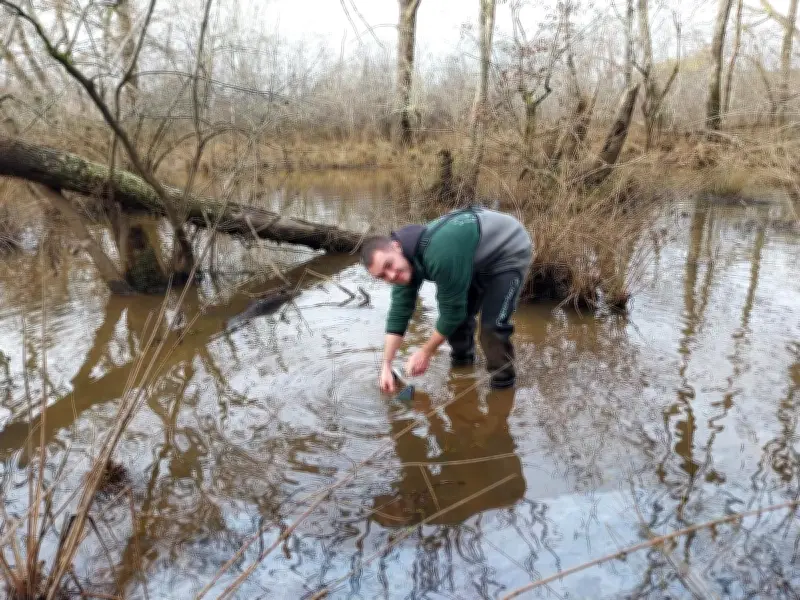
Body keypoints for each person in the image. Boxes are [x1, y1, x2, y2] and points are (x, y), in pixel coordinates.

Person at [360, 205, 533, 391]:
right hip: (471, 257)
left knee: (492, 328)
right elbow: (398, 314)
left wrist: (426, 352)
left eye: (389, 264)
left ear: (396, 247)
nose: (391, 275)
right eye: (382, 276)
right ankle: (462, 366)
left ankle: (503, 385)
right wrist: (386, 365)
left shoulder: (439, 254)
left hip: (508, 248)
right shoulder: (402, 265)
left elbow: (451, 314)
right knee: (458, 322)